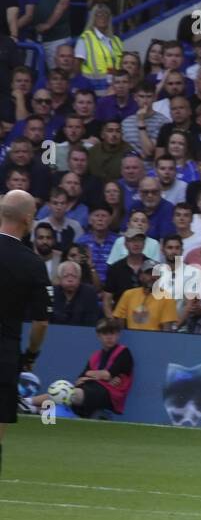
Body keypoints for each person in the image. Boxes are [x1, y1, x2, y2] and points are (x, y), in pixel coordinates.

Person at [0, 191, 52, 476]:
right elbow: (41, 322)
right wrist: (31, 356)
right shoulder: (32, 264)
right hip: (4, 353)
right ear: (28, 219)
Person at [28, 318, 133, 419]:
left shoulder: (124, 352)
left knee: (65, 392)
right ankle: (30, 406)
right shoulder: (95, 356)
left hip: (109, 395)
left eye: (113, 333)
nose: (109, 337)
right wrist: (99, 377)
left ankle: (28, 403)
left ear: (118, 335)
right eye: (105, 334)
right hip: (89, 391)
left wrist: (92, 375)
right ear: (98, 336)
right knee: (63, 391)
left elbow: (107, 374)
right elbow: (79, 380)